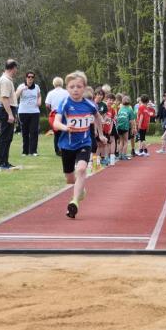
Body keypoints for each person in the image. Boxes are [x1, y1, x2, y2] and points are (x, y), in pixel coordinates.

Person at [53, 71, 106, 219]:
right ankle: (80, 189)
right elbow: (56, 122)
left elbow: (97, 117)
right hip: (67, 145)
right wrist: (65, 127)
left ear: (84, 88)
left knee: (82, 169)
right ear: (67, 88)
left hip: (84, 143)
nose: (75, 90)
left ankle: (74, 202)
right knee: (70, 179)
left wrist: (101, 134)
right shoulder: (64, 103)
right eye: (72, 87)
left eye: (79, 86)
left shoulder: (90, 104)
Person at [0, 59, 18, 169]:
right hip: (6, 110)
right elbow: (5, 98)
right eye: (16, 68)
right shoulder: (5, 80)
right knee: (4, 137)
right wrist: (10, 114)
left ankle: (5, 161)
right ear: (13, 68)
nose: (16, 71)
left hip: (8, 109)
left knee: (8, 138)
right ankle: (0, 162)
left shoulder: (7, 79)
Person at [16, 71, 42, 156]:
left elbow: (39, 96)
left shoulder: (37, 87)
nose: (30, 78)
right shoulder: (21, 86)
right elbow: (15, 96)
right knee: (25, 132)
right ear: (26, 78)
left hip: (35, 112)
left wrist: (39, 101)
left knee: (34, 132)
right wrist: (21, 90)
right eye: (29, 77)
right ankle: (25, 151)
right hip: (23, 112)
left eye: (32, 77)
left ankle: (33, 151)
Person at [45, 76, 68, 156]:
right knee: (64, 132)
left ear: (54, 83)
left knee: (56, 133)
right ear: (62, 83)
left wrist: (51, 108)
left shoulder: (51, 93)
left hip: (54, 114)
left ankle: (57, 150)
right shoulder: (66, 92)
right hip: (64, 114)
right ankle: (64, 149)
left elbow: (47, 104)